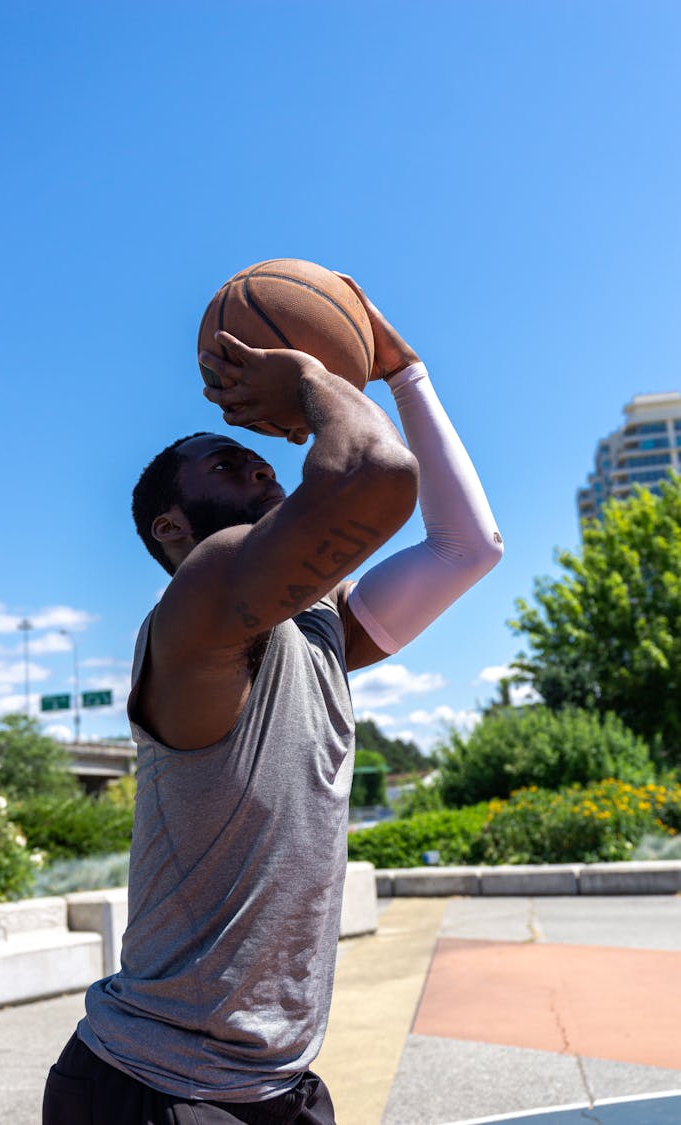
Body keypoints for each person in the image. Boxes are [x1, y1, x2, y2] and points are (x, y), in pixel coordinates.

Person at [43, 278, 503, 1124]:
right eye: (226, 465)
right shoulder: (199, 608)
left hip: (273, 1084)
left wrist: (404, 371)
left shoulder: (317, 625)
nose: (258, 463)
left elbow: (468, 547)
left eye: (258, 456)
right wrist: (303, 379)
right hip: (156, 1084)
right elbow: (373, 471)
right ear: (172, 531)